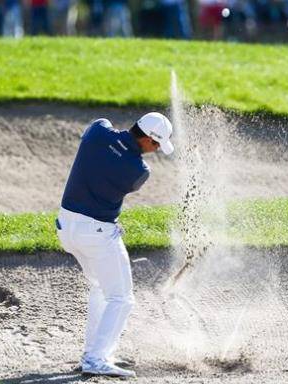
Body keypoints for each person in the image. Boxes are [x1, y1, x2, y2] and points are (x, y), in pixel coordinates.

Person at [56, 113, 174, 377]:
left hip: (67, 228)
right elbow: (125, 166)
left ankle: (94, 353)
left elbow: (100, 125)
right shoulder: (139, 171)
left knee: (101, 287)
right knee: (122, 298)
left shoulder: (98, 133)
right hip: (97, 235)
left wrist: (116, 143)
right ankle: (96, 359)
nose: (155, 151)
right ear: (147, 139)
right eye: (156, 145)